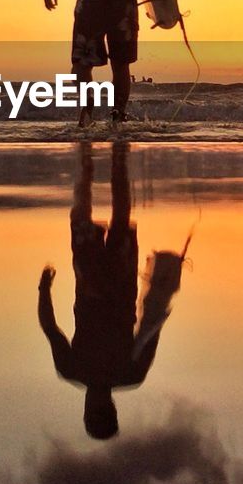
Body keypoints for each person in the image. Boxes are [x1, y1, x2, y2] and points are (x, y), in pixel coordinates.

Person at [37, 142, 186, 440]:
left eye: (95, 411)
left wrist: (45, 289)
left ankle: (93, 157)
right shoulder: (125, 374)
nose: (98, 404)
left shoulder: (87, 371)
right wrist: (43, 289)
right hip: (112, 285)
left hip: (100, 285)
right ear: (111, 409)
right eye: (102, 411)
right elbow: (152, 325)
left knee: (88, 217)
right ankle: (105, 157)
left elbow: (52, 330)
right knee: (113, 218)